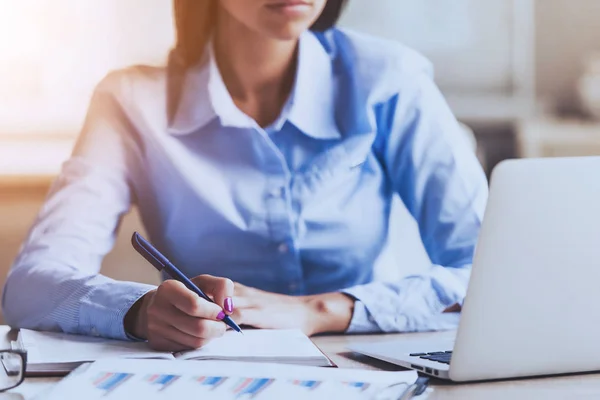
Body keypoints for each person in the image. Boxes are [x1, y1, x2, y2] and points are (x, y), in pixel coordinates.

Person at [2, 0, 488, 351]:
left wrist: (321, 311)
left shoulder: (391, 79)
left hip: (374, 369)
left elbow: (489, 275)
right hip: (206, 372)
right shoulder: (131, 101)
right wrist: (139, 309)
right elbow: (29, 286)